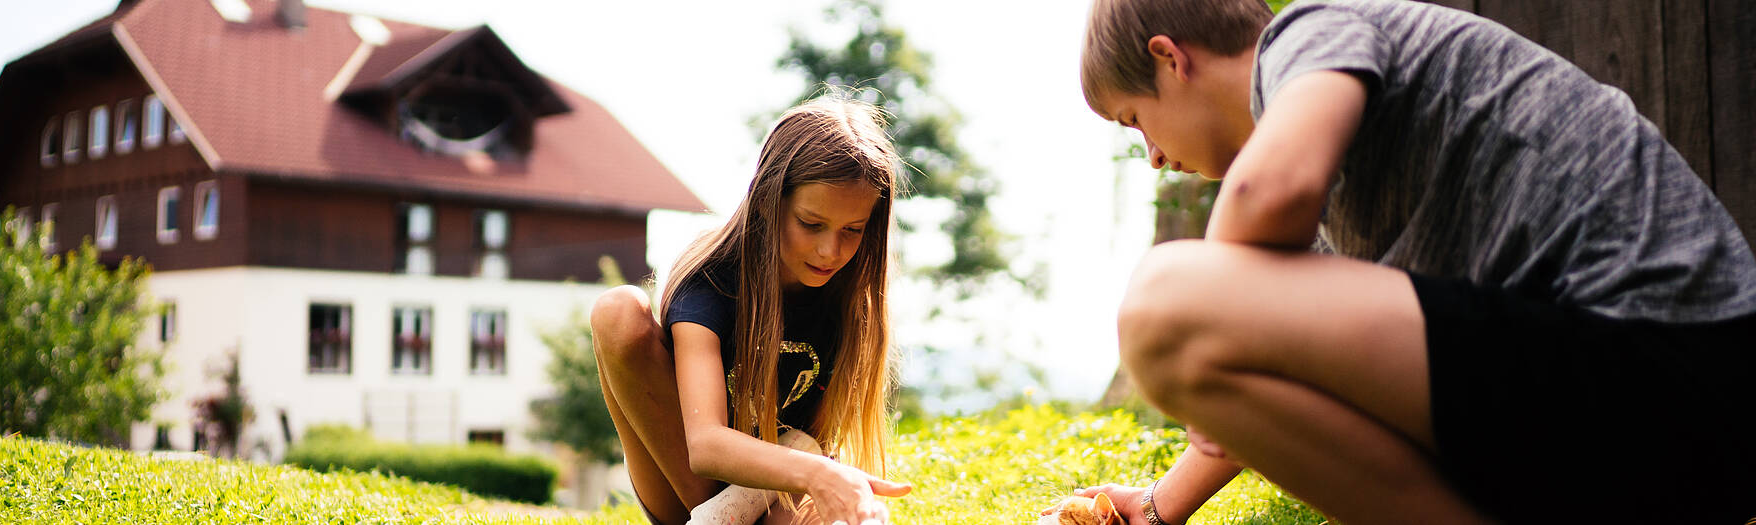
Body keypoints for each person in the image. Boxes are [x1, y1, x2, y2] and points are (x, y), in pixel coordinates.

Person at [1053, 0, 1756, 523]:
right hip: (1647, 422)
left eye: (1132, 120)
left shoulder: (1309, 31)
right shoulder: (1331, 213)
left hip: (1678, 357)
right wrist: (1152, 508)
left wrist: (1210, 303)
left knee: (1162, 299)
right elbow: (1273, 377)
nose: (1147, 155)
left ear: (1170, 59)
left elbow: (1269, 193)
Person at [590, 95, 911, 525]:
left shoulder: (848, 299)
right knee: (618, 310)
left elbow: (816, 441)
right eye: (811, 224)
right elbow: (705, 446)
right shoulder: (712, 281)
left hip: (777, 490)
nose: (830, 251)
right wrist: (815, 468)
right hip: (684, 485)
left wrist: (827, 477)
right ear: (768, 200)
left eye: (852, 231)